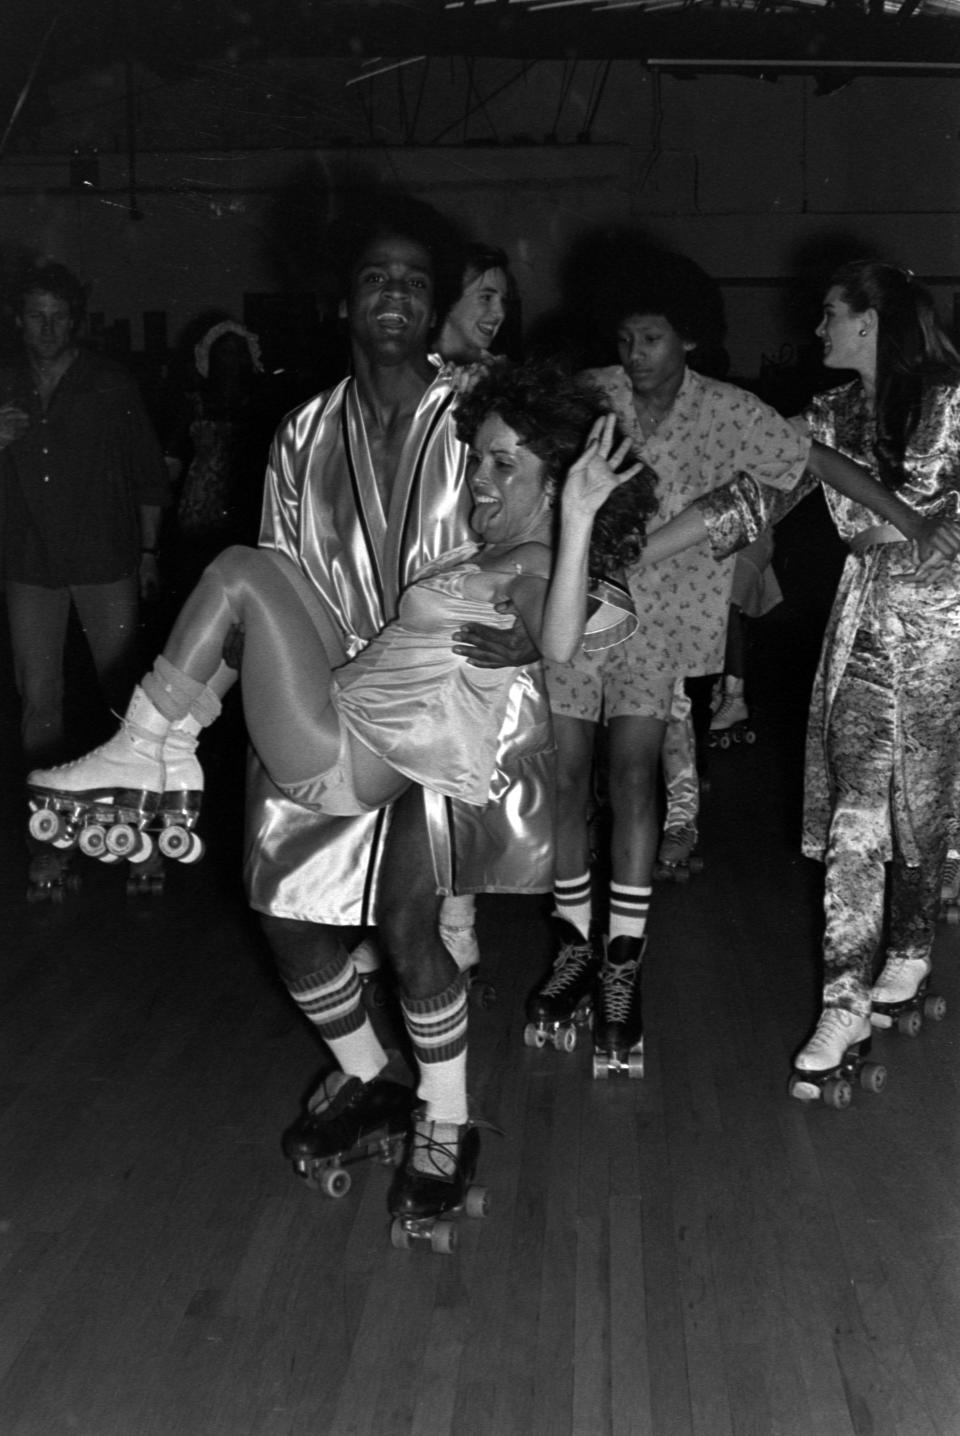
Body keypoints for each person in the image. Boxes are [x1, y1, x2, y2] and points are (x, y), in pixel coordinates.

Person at [28, 360, 653, 1211]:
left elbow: (570, 630)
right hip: (348, 714)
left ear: (553, 485)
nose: (479, 478)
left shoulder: (537, 555)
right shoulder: (491, 548)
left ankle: (146, 746)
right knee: (283, 910)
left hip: (350, 754)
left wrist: (575, 529)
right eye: (480, 459)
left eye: (506, 465)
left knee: (241, 573)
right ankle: (368, 1078)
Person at [628, 259, 960, 1094]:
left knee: (920, 802)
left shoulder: (954, 398)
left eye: (831, 314)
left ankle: (912, 946)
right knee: (859, 807)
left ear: (871, 319)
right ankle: (842, 999)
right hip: (864, 624)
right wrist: (634, 554)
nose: (818, 330)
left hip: (947, 623)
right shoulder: (828, 414)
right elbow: (750, 500)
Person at [528, 252, 816, 1073]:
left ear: (688, 337)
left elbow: (791, 472)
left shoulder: (730, 409)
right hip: (575, 609)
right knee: (564, 777)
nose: (635, 352)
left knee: (630, 777)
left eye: (650, 337)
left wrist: (721, 520)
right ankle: (573, 946)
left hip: (657, 626)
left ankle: (623, 962)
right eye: (624, 337)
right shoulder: (592, 396)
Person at [0, 261, 171, 887]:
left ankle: (144, 841)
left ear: (74, 319)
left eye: (58, 316)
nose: (47, 328)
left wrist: (150, 554)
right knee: (38, 706)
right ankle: (53, 840)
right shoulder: (5, 381)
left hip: (106, 560)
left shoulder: (109, 383)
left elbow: (150, 474)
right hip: (28, 564)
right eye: (35, 315)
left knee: (128, 704)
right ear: (18, 319)